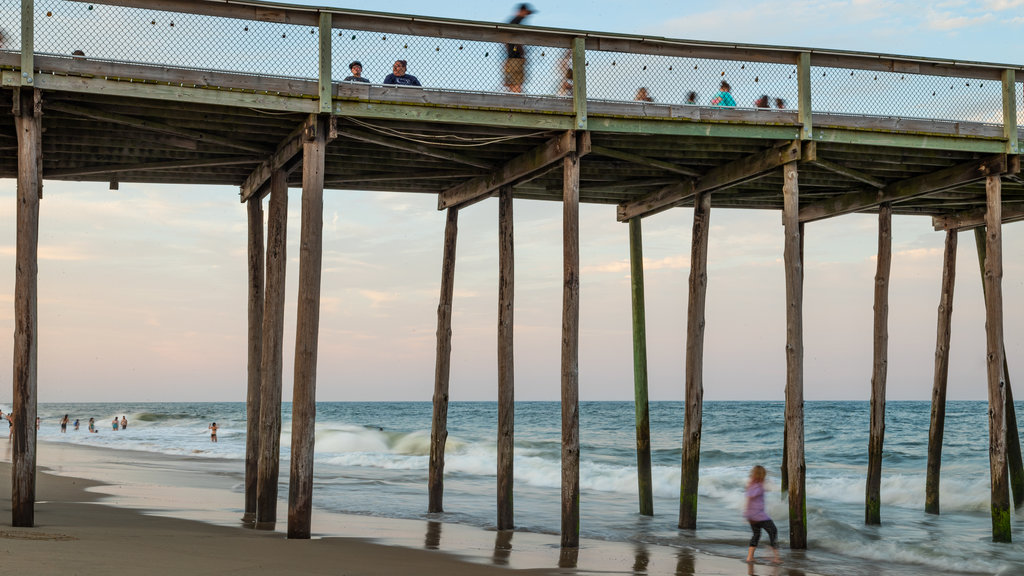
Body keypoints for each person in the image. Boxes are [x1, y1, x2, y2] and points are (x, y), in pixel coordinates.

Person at [744, 465, 780, 564]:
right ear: (761, 475)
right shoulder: (757, 486)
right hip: (759, 516)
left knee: (756, 535)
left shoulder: (752, 484)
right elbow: (751, 495)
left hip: (751, 516)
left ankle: (749, 557)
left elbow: (749, 496)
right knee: (773, 531)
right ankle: (776, 558)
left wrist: (746, 513)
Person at [502, 3, 536, 93]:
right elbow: (516, 41)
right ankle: (517, 101)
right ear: (522, 11)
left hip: (510, 58)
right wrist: (522, 53)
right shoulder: (516, 21)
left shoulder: (512, 21)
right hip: (516, 59)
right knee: (517, 84)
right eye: (526, 13)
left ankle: (513, 100)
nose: (526, 16)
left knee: (510, 84)